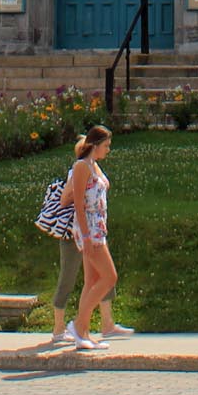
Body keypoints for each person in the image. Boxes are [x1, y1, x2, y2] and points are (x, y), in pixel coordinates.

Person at [63, 123, 122, 352]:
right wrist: (86, 235)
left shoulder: (93, 166)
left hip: (98, 228)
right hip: (89, 230)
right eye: (106, 146)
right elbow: (78, 201)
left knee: (91, 280)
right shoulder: (81, 167)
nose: (108, 150)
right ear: (95, 145)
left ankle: (84, 332)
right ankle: (77, 326)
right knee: (109, 277)